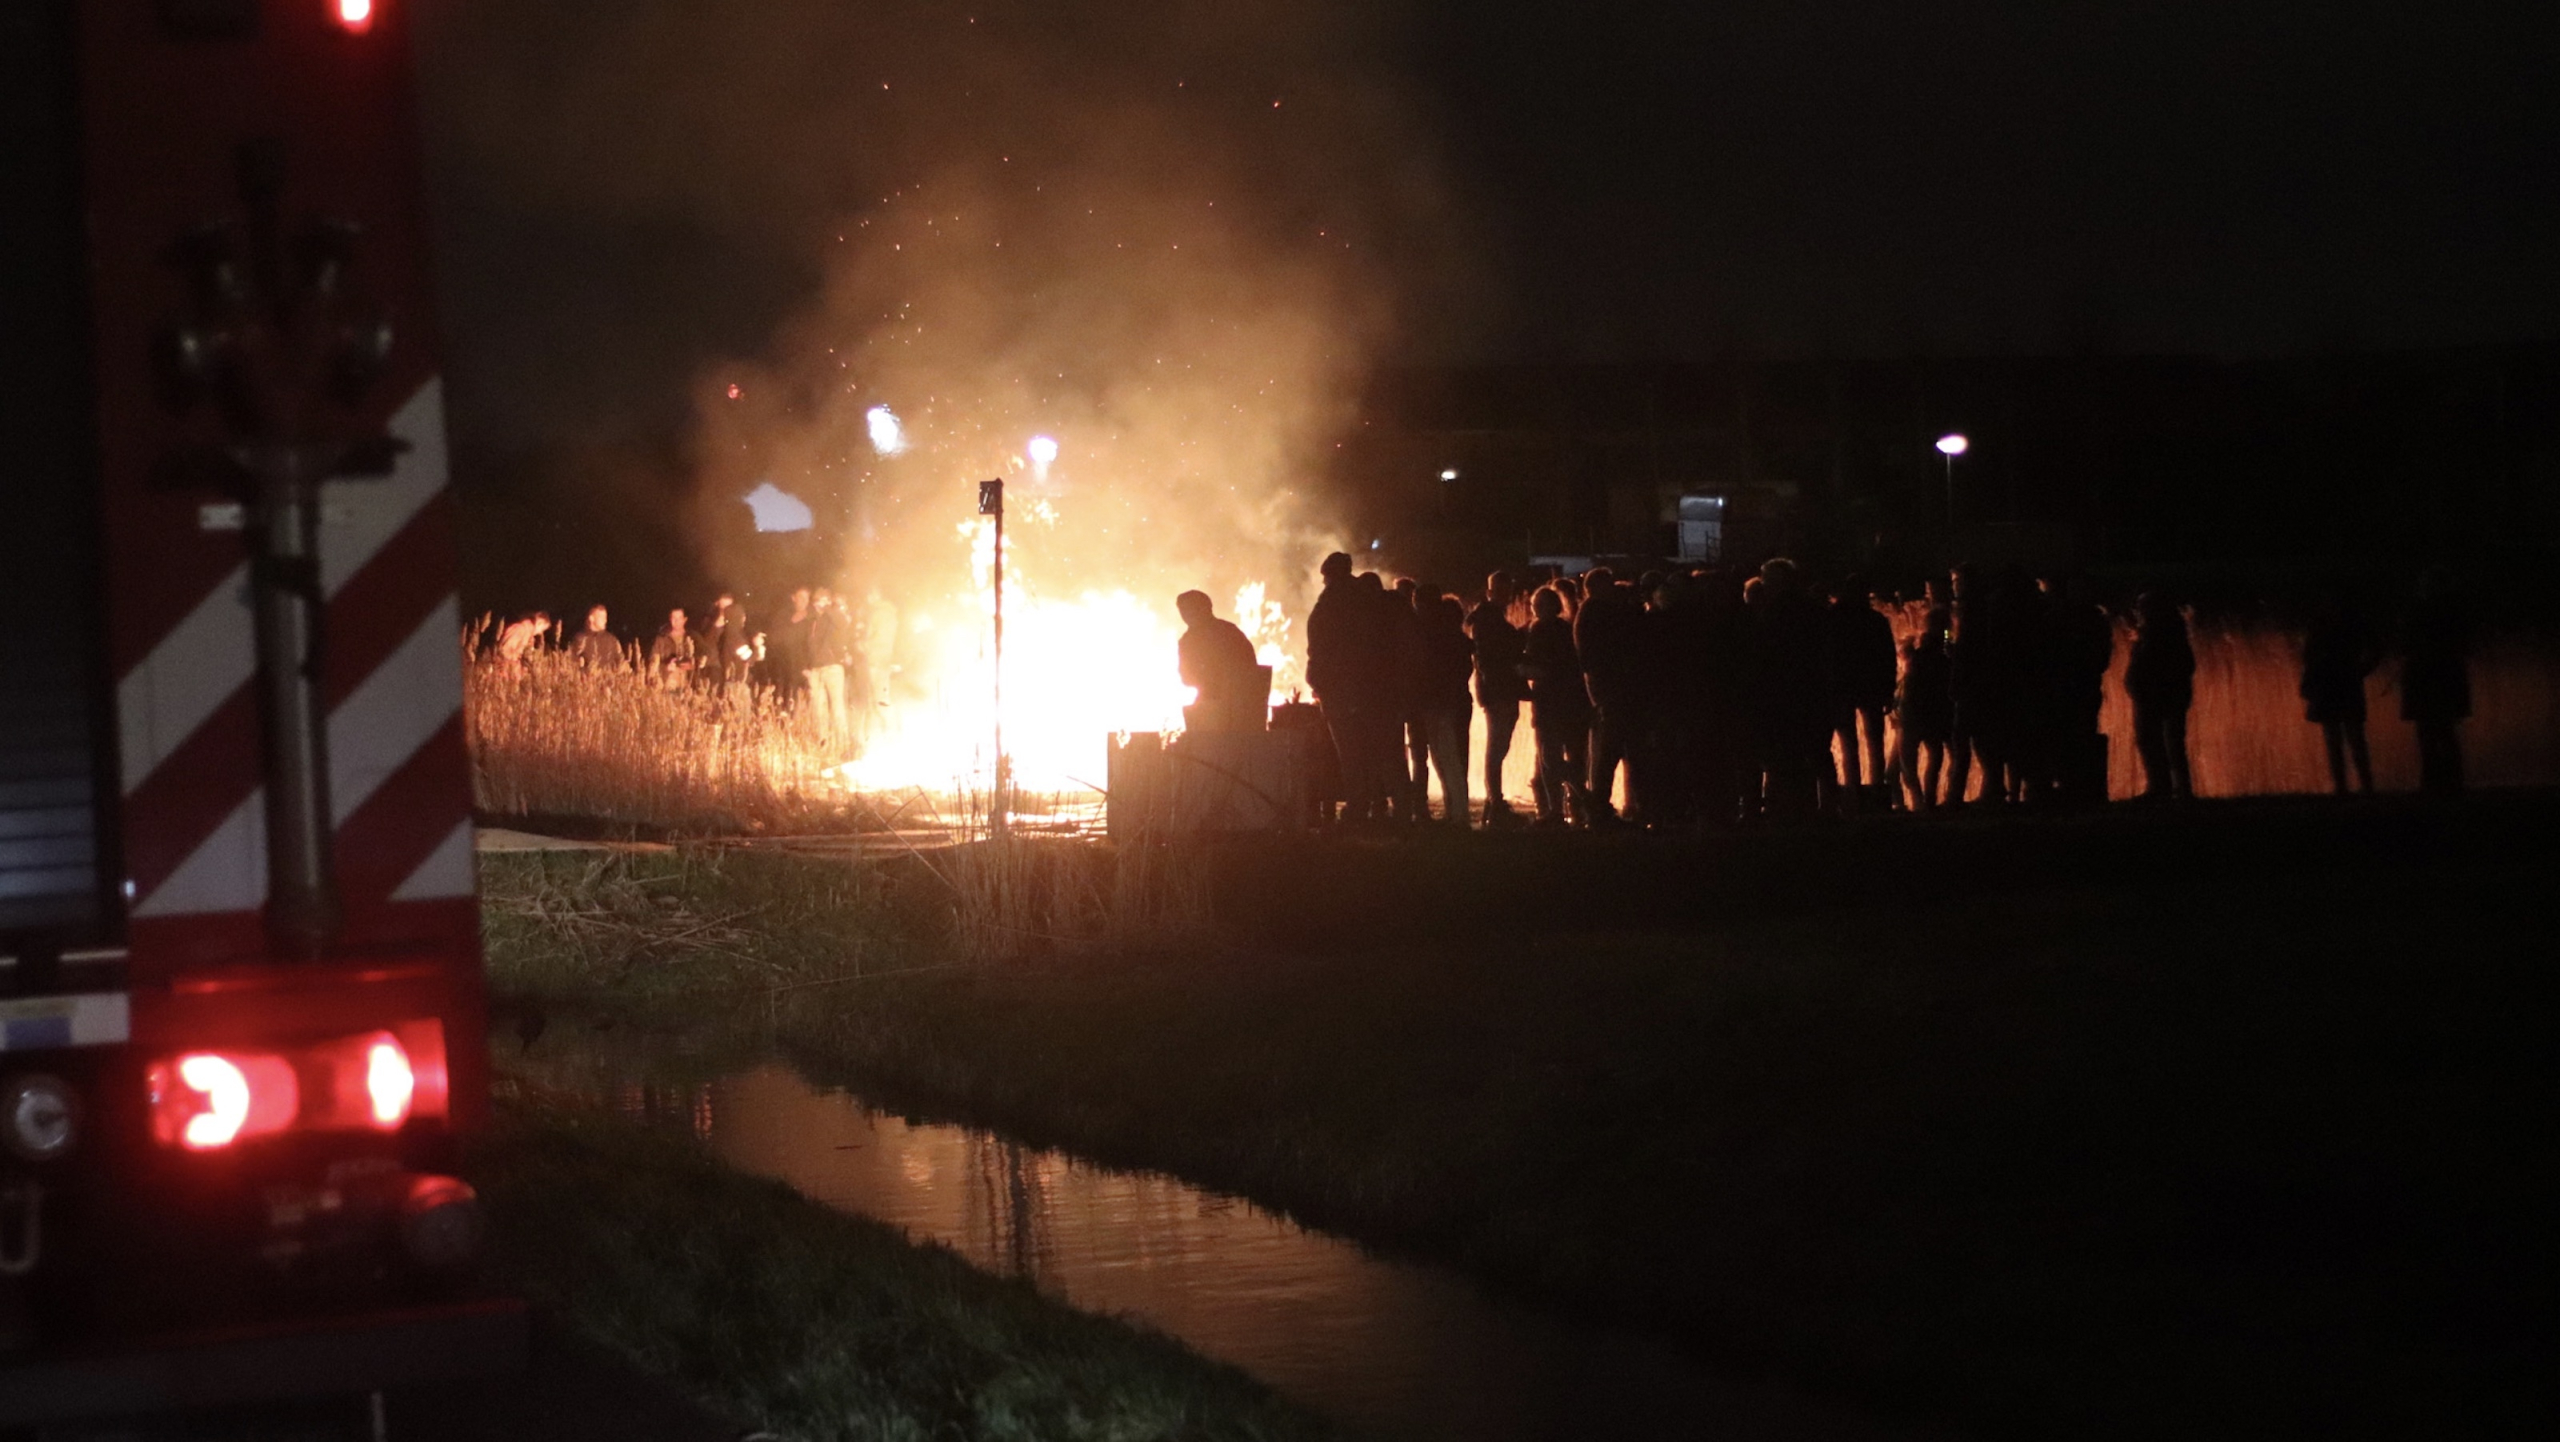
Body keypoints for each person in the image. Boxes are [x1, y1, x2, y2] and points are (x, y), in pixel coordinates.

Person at [1307, 553, 1401, 823]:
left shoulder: (1329, 605)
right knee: (1379, 750)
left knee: (1350, 752)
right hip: (1374, 689)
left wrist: (1318, 682)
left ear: (1329, 575)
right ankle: (1391, 806)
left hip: (1340, 690)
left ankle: (1358, 807)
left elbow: (1318, 649)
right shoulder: (1371, 602)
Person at [1520, 585, 1591, 825]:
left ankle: (1559, 809)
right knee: (1573, 755)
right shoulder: (1567, 628)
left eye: (1537, 606)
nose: (1535, 610)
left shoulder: (1539, 630)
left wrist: (1519, 670)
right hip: (1573, 704)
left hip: (1549, 703)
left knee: (1549, 758)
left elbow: (1539, 666)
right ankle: (1580, 806)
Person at [2299, 587, 2380, 796]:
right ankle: (2357, 786)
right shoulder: (2349, 621)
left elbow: (2308, 656)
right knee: (2345, 737)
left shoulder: (2325, 622)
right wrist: (2363, 669)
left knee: (2343, 737)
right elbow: (2309, 656)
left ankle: (2350, 786)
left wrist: (2363, 669)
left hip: (2334, 683)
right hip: (2338, 683)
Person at [1828, 576, 1899, 810]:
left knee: (1849, 742)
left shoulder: (1834, 618)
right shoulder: (1875, 620)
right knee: (1874, 741)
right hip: (1870, 686)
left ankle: (1853, 791)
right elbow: (1888, 657)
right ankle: (1877, 791)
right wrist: (1888, 689)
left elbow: (1826, 654)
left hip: (1842, 687)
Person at [2400, 570, 2472, 794]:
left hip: (2430, 678)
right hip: (2434, 678)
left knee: (2434, 731)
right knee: (2439, 731)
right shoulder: (2448, 611)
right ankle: (2446, 781)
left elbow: (2407, 643)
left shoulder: (2425, 613)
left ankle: (2438, 781)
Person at [1468, 571, 1528, 825]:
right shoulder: (1488, 620)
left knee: (1498, 748)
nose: (1506, 597)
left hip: (1497, 690)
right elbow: (1495, 656)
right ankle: (1495, 804)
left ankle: (1494, 804)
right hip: (1498, 691)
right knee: (1497, 749)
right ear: (1491, 592)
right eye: (1501, 592)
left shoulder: (1485, 618)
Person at [2124, 590, 2196, 800]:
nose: (2138, 612)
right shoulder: (2161, 633)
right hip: (2154, 696)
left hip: (2157, 696)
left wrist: (2147, 685)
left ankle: (2165, 787)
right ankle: (2169, 787)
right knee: (2164, 742)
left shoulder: (2160, 634)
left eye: (2142, 608)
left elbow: (2181, 666)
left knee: (2159, 741)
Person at [1414, 592, 1474, 824]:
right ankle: (1456, 810)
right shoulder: (1458, 641)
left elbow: (1442, 675)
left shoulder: (1444, 641)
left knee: (1448, 760)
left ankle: (1458, 813)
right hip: (1452, 704)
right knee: (1450, 760)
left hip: (1444, 706)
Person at [1175, 589, 1265, 734]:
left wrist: (1212, 680)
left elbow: (1249, 668)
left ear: (1205, 608)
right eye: (1183, 610)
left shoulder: (1191, 640)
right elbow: (1186, 677)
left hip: (1224, 705)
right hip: (1239, 705)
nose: (1186, 615)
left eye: (1189, 609)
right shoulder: (1229, 631)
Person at [1896, 606, 1954, 809]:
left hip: (1915, 711)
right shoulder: (1943, 649)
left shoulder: (1921, 652)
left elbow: (1910, 683)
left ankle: (1920, 800)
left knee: (1909, 759)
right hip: (1932, 710)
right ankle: (1926, 799)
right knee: (1933, 754)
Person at [807, 588, 855, 752]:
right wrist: (807, 666)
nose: (816, 604)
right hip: (815, 668)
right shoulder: (813, 620)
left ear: (827, 601)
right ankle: (823, 743)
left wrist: (828, 608)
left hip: (832, 667)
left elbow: (843, 623)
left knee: (836, 706)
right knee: (818, 708)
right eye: (815, 601)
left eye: (820, 600)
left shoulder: (833, 617)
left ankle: (842, 744)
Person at [707, 592, 753, 690]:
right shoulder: (708, 622)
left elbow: (746, 656)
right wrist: (715, 628)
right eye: (722, 608)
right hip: (715, 668)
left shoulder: (736, 628)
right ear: (717, 605)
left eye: (728, 607)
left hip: (734, 673)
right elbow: (706, 644)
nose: (726, 611)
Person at [649, 607, 698, 687]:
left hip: (687, 685)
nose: (676, 621)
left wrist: (690, 665)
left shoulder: (693, 637)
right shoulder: (661, 639)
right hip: (667, 683)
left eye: (679, 618)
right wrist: (665, 668)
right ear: (670, 619)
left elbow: (702, 657)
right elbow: (653, 661)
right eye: (674, 618)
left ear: (684, 619)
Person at [569, 605, 624, 672]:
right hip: (589, 681)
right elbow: (571, 663)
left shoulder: (612, 640)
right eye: (602, 618)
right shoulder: (581, 639)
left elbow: (621, 661)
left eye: (605, 618)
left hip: (608, 680)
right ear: (591, 618)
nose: (605, 621)